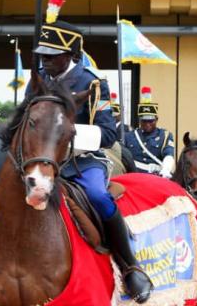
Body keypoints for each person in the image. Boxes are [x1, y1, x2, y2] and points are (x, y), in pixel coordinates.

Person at [26, 15, 153, 302]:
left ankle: (130, 266)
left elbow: (108, 133)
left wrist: (64, 135)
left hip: (79, 160)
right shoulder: (37, 80)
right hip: (39, 162)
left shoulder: (93, 83)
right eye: (42, 56)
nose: (44, 62)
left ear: (70, 55)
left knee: (98, 196)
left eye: (51, 56)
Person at [123, 86, 175, 177]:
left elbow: (169, 155)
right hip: (134, 177)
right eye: (144, 121)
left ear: (156, 119)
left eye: (151, 121)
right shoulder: (128, 136)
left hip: (156, 177)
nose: (147, 124)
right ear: (139, 120)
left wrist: (166, 170)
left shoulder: (165, 135)